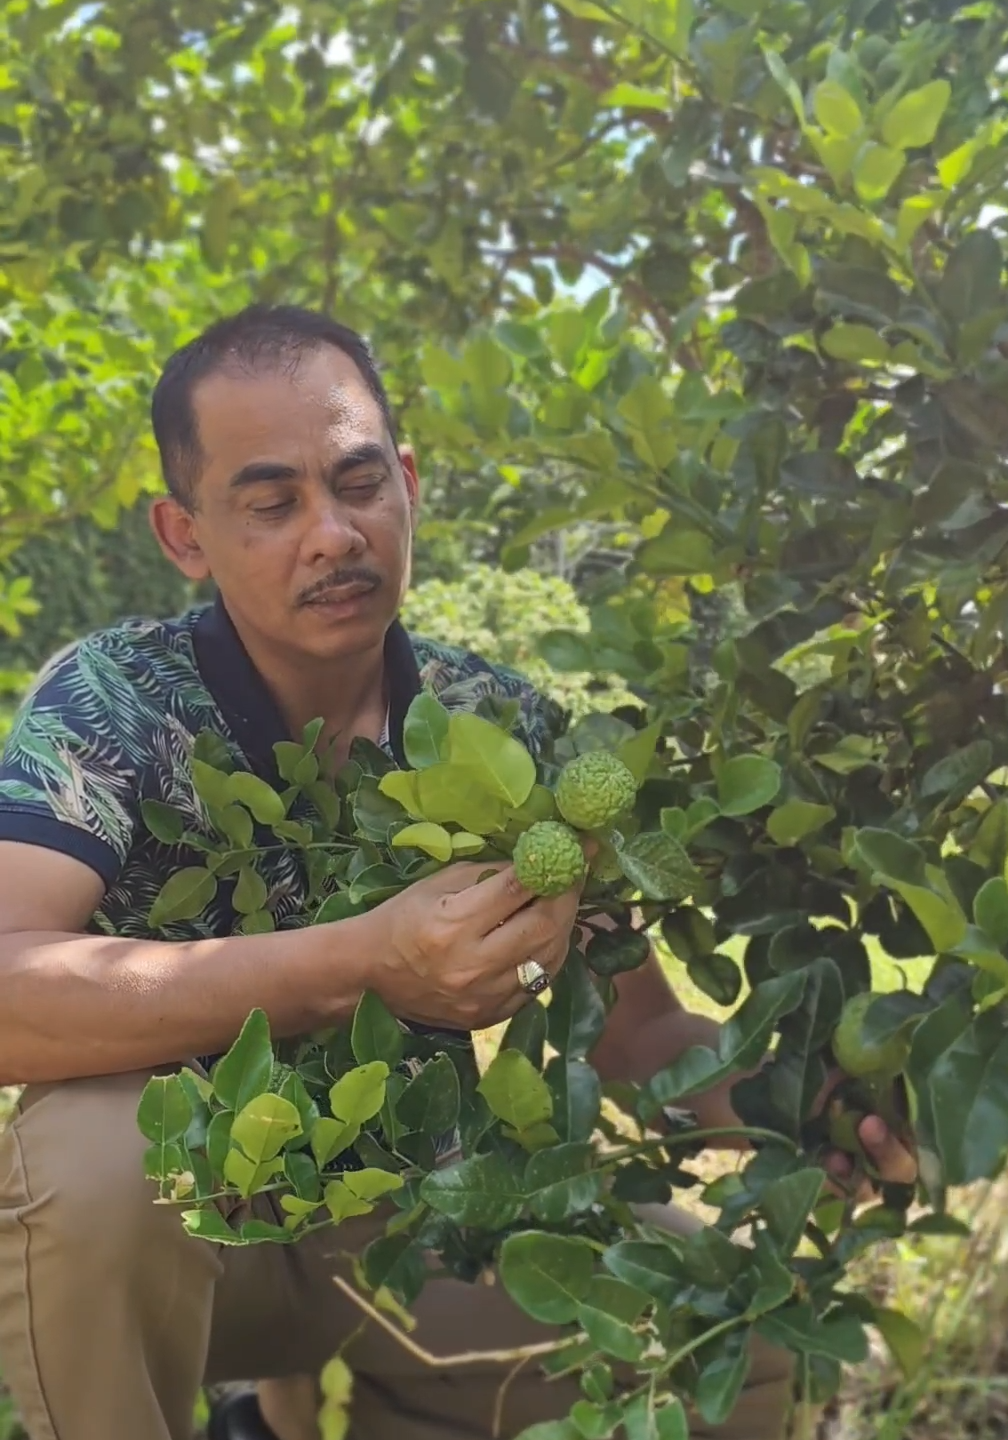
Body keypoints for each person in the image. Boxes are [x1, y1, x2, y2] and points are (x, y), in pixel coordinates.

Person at [0, 305, 916, 1440]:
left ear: (410, 484)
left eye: (359, 482)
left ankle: (297, 1424)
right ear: (185, 536)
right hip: (178, 1230)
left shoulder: (500, 725)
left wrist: (802, 1105)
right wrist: (355, 966)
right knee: (90, 1158)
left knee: (732, 1328)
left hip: (394, 1230)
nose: (333, 534)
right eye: (274, 503)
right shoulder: (112, 701)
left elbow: (637, 1043)